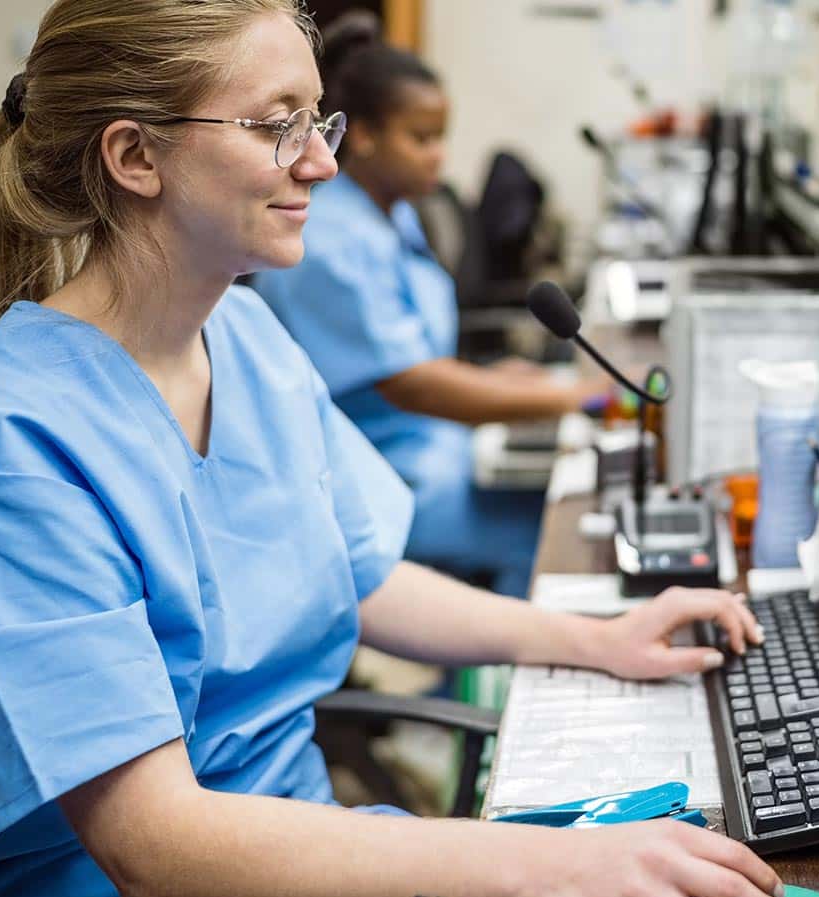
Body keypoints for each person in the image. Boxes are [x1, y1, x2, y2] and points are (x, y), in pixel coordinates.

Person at [0, 4, 795, 897]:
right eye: (275, 126)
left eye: (319, 122)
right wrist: (538, 866)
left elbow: (361, 574)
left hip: (283, 850)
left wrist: (599, 638)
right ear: (135, 156)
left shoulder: (243, 342)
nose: (322, 165)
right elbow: (156, 849)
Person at [250, 15, 608, 598]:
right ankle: (486, 681)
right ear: (363, 136)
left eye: (442, 137)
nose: (439, 157)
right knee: (546, 530)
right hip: (377, 474)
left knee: (560, 496)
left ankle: (465, 670)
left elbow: (407, 348)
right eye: (421, 139)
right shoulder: (332, 237)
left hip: (427, 447)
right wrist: (574, 396)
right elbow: (411, 385)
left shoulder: (391, 211)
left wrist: (499, 380)